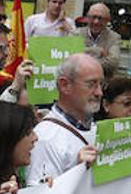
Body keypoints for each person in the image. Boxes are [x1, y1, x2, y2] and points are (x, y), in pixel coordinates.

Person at [25, 53, 103, 184]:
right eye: (91, 84)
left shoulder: (99, 130)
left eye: (101, 84)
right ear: (64, 85)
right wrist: (77, 170)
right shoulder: (46, 138)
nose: (99, 92)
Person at [74, 3, 122, 75]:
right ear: (88, 18)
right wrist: (99, 51)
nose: (96, 22)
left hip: (103, 82)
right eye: (93, 17)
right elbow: (71, 58)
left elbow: (113, 63)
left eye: (100, 18)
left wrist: (83, 55)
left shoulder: (114, 37)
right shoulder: (76, 34)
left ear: (107, 20)